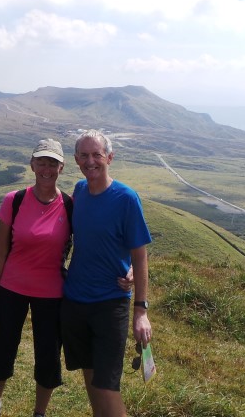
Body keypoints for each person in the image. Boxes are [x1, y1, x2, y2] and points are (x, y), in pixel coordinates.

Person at [0, 138, 71, 417]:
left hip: (52, 293)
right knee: (2, 348)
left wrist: (124, 267)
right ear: (32, 164)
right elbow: (0, 251)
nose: (46, 168)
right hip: (11, 288)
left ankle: (39, 413)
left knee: (48, 356)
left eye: (52, 163)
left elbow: (93, 244)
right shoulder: (14, 200)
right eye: (41, 161)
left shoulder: (70, 205)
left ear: (61, 167)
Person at [61, 129, 153, 417]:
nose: (91, 161)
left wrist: (141, 310)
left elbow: (140, 255)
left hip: (110, 302)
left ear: (109, 158)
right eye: (84, 155)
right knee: (90, 376)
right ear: (76, 160)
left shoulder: (126, 198)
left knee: (107, 384)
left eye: (97, 155)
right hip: (75, 299)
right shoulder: (79, 190)